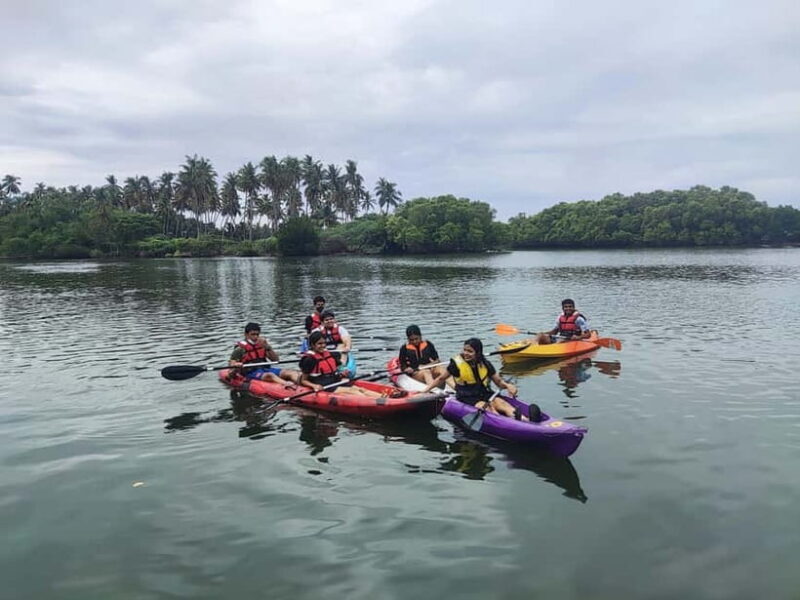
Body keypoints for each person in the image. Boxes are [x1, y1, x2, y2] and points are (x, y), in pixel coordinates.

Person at [422, 338, 537, 421]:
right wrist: (426, 390)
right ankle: (508, 423)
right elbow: (442, 378)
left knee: (500, 403)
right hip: (467, 396)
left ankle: (524, 419)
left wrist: (508, 386)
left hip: (485, 393)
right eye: (465, 350)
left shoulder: (485, 364)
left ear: (478, 353)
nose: (466, 353)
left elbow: (499, 382)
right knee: (489, 408)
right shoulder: (456, 365)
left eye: (470, 351)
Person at [298, 331, 381, 397]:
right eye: (319, 344)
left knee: (361, 389)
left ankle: (385, 396)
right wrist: (314, 386)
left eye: (324, 343)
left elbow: (338, 367)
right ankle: (380, 403)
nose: (323, 346)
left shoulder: (329, 354)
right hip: (324, 385)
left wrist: (342, 372)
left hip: (335, 380)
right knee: (354, 392)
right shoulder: (309, 360)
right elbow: (303, 380)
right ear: (312, 345)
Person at [229, 322, 300, 387]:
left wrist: (268, 347)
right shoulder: (239, 349)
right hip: (250, 373)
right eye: (253, 334)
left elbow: (275, 360)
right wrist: (236, 366)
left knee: (289, 372)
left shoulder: (262, 345)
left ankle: (302, 382)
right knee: (270, 375)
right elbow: (231, 369)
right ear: (246, 334)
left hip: (265, 369)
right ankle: (286, 384)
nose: (255, 337)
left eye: (257, 334)